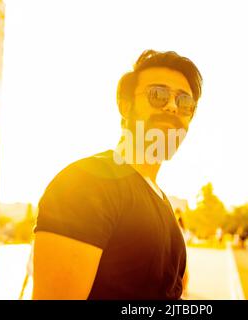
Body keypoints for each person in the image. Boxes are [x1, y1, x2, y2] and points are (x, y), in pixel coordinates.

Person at [32, 50, 203, 300]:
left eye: (185, 102)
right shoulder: (87, 182)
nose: (172, 106)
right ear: (125, 106)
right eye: (158, 94)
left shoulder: (163, 202)